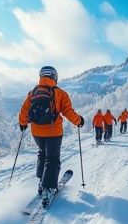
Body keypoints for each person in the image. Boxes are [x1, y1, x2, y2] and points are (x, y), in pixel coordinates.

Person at [19, 66, 84, 206]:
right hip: (54, 132)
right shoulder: (60, 93)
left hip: (36, 132)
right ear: (55, 77)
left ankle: (41, 183)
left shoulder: (32, 93)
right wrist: (79, 121)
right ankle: (48, 188)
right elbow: (68, 112)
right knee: (52, 159)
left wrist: (23, 123)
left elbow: (24, 110)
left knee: (42, 154)